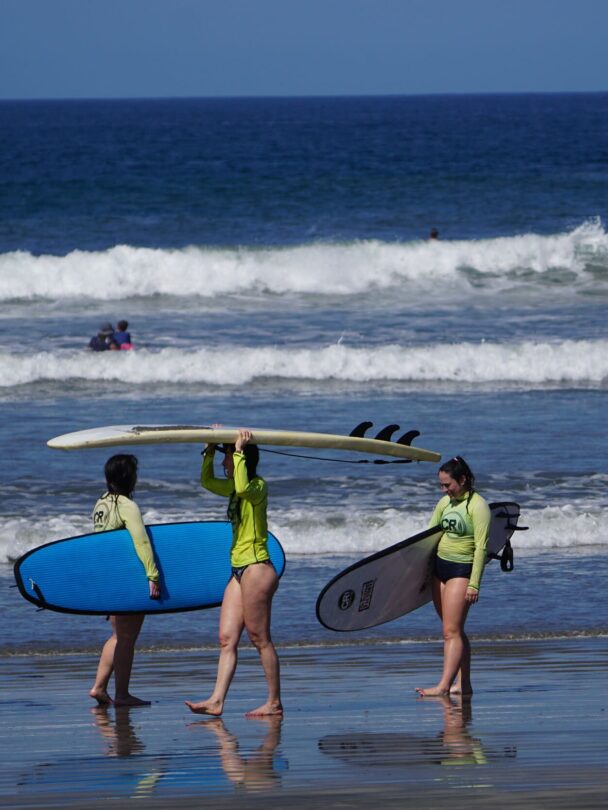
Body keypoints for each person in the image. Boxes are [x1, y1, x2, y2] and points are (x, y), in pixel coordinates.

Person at [185, 429, 282, 718]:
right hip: (238, 569)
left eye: (227, 459)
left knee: (259, 637)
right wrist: (210, 450)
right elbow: (206, 481)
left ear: (241, 459)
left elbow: (241, 488)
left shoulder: (257, 487)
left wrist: (238, 451)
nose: (224, 465)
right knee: (227, 638)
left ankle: (274, 702)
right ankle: (216, 701)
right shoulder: (234, 486)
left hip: (257, 567)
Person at [415, 456, 491, 698]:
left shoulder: (478, 506)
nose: (444, 490)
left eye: (448, 485)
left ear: (463, 479)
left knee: (451, 631)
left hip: (461, 570)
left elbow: (481, 548)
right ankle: (464, 684)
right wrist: (423, 574)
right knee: (454, 630)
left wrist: (474, 583)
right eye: (441, 485)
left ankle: (444, 686)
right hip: (440, 569)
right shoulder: (444, 503)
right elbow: (429, 537)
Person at [90, 454, 160, 707]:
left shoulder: (100, 504)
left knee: (119, 636)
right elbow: (141, 542)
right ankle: (121, 694)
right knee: (127, 637)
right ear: (129, 477)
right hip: (128, 579)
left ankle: (99, 687)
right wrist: (152, 575)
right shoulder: (127, 506)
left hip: (109, 578)